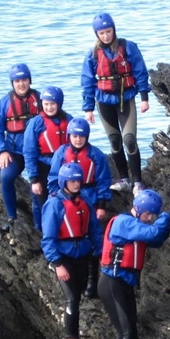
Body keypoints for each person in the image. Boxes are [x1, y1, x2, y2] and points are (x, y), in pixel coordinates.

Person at [98, 189, 170, 339]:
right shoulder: (123, 222)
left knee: (126, 332)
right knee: (127, 332)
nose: (150, 218)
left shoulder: (137, 224)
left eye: (152, 215)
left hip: (124, 284)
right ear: (138, 209)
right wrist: (169, 213)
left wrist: (167, 220)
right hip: (112, 283)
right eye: (148, 214)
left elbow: (156, 240)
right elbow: (153, 232)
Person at [80, 12, 151, 196]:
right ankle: (123, 179)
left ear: (114, 30)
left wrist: (144, 97)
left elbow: (140, 70)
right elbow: (87, 81)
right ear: (97, 34)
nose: (105, 36)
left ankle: (137, 182)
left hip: (125, 98)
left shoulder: (128, 47)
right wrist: (88, 108)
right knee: (114, 141)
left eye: (108, 31)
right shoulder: (93, 54)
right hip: (103, 102)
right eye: (101, 33)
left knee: (129, 140)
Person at [41, 162, 103, 339]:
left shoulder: (84, 201)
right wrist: (57, 263)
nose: (76, 184)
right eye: (72, 180)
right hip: (64, 256)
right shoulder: (54, 205)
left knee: (80, 294)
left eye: (78, 180)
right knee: (72, 299)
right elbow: (48, 238)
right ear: (64, 181)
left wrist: (100, 250)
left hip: (82, 253)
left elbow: (94, 229)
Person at [48, 117, 112, 298]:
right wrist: (57, 197)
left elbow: (103, 181)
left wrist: (101, 205)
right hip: (65, 198)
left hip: (89, 197)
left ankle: (92, 279)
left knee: (92, 236)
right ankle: (66, 269)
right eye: (75, 136)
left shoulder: (96, 155)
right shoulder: (61, 153)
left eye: (81, 136)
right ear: (69, 136)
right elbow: (53, 178)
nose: (78, 139)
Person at [0, 63, 40, 227]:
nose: (21, 84)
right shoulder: (4, 103)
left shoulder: (40, 99)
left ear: (29, 80)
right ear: (12, 83)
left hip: (37, 151)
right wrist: (2, 150)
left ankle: (40, 223)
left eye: (24, 79)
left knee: (38, 185)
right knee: (6, 176)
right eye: (17, 81)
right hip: (15, 151)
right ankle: (12, 216)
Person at [23, 86, 72, 231]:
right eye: (46, 104)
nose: (49, 107)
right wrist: (34, 180)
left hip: (64, 168)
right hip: (42, 167)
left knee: (64, 202)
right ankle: (41, 233)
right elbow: (29, 152)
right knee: (41, 204)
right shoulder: (35, 123)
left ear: (59, 103)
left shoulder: (69, 120)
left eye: (52, 104)